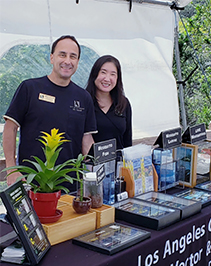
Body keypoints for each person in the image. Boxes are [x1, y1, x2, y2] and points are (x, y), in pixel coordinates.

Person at [3, 35, 97, 191]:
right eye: (62, 54)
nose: (67, 61)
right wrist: (12, 169)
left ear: (78, 62)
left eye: (73, 56)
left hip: (69, 185)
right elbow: (10, 127)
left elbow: (87, 140)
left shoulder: (83, 97)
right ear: (52, 58)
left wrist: (99, 170)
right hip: (31, 182)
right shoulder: (29, 88)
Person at [86, 55, 132, 151]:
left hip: (118, 163)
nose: (107, 79)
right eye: (103, 72)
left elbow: (127, 140)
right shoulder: (84, 101)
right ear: (95, 74)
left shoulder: (123, 103)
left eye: (113, 74)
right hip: (92, 163)